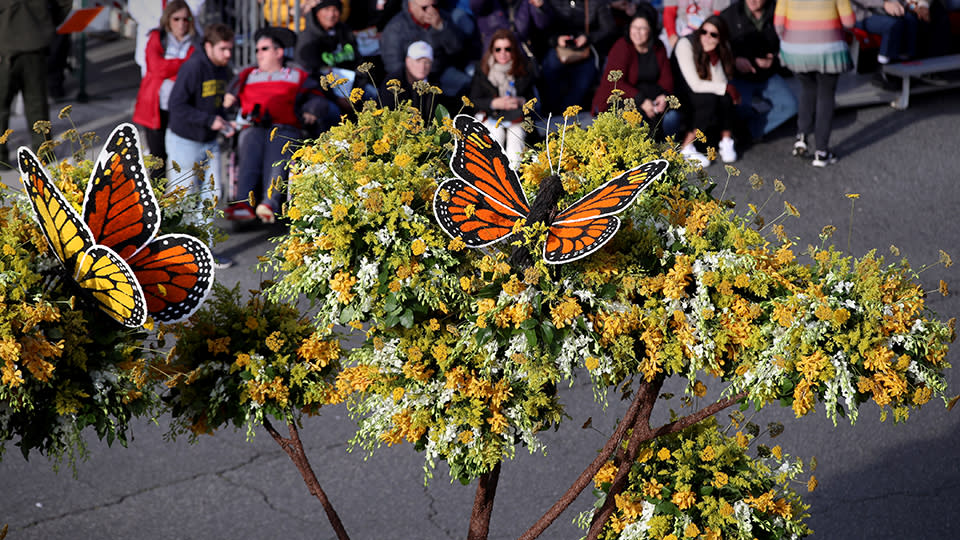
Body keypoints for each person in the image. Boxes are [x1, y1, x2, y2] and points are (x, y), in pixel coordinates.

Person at [224, 27, 333, 224]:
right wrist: (228, 100)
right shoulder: (247, 74)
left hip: (285, 126)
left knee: (277, 152)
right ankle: (243, 204)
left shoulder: (297, 75)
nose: (259, 54)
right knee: (249, 146)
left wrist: (311, 110)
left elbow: (318, 98)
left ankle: (269, 203)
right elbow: (229, 95)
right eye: (257, 50)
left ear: (279, 52)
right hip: (253, 126)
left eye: (264, 49)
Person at [166, 23, 236, 267]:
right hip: (184, 141)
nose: (228, 54)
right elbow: (176, 105)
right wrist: (209, 120)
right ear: (208, 46)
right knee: (183, 199)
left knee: (212, 197)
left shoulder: (224, 70)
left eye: (230, 49)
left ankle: (203, 252)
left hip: (209, 142)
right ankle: (176, 256)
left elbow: (217, 105)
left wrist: (228, 115)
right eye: (223, 49)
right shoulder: (193, 67)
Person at [775, 0, 855, 166]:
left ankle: (801, 137)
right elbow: (849, 22)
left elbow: (779, 24)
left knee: (807, 88)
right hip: (828, 49)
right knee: (825, 96)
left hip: (795, 51)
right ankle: (821, 152)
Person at [133, 1, 200, 180]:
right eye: (176, 19)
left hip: (182, 108)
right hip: (155, 108)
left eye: (186, 19)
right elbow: (157, 68)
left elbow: (195, 71)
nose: (181, 24)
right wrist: (183, 65)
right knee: (158, 161)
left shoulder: (196, 42)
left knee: (183, 162)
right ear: (168, 20)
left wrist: (173, 69)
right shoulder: (157, 37)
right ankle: (156, 203)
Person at [592, 7, 681, 141]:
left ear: (651, 30)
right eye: (634, 27)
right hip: (623, 100)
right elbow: (616, 83)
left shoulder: (658, 46)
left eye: (642, 28)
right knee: (635, 120)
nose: (637, 33)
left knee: (672, 117)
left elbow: (667, 78)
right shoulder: (622, 46)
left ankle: (668, 151)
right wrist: (642, 101)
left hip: (652, 98)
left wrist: (664, 95)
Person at [0, 0, 71, 167]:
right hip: (34, 43)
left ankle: (2, 158)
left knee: (5, 106)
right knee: (37, 104)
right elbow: (65, 4)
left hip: (6, 48)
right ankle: (44, 153)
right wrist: (44, 23)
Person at [720, 0, 797, 141]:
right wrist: (734, 60)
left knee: (791, 106)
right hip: (740, 76)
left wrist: (774, 60)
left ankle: (751, 131)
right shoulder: (729, 15)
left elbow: (792, 45)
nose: (752, 1)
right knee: (736, 107)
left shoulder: (779, 13)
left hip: (768, 75)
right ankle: (743, 127)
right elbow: (718, 48)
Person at [671, 15, 740, 166]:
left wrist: (712, 56)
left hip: (703, 90)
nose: (707, 37)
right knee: (712, 97)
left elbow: (720, 82)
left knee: (725, 96)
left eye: (713, 34)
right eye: (704, 32)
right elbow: (694, 84)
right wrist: (726, 87)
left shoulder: (721, 48)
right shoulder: (685, 43)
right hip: (680, 90)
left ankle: (726, 140)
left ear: (720, 38)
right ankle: (686, 146)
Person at [469, 29, 536, 166]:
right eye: (498, 49)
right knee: (496, 133)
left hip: (515, 117)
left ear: (514, 50)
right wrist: (494, 103)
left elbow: (532, 99)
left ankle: (513, 174)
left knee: (516, 136)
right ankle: (492, 174)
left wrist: (519, 101)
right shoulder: (482, 69)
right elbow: (473, 101)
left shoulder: (524, 67)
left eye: (507, 49)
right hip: (490, 115)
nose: (503, 53)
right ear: (492, 50)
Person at [540, 0, 617, 114]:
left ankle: (567, 116)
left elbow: (609, 28)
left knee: (582, 83)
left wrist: (588, 38)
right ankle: (551, 114)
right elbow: (542, 27)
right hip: (558, 49)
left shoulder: (595, 3)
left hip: (585, 50)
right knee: (550, 73)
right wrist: (557, 40)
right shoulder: (553, 2)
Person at [380, 0, 471, 96]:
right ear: (411, 5)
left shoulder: (443, 18)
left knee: (467, 84)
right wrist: (416, 78)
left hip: (441, 73)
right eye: (425, 7)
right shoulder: (395, 27)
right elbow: (393, 65)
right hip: (412, 79)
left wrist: (441, 28)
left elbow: (457, 49)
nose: (431, 11)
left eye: (434, 6)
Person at [380, 41, 453, 122]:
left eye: (427, 62)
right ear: (408, 61)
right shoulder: (392, 84)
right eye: (418, 61)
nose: (422, 66)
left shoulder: (434, 84)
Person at [662, 0, 732, 50]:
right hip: (681, 26)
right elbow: (669, 12)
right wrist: (671, 34)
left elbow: (719, 17)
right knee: (665, 45)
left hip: (708, 27)